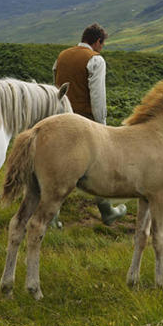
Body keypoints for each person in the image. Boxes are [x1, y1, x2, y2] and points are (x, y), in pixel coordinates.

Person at [52, 23, 127, 225]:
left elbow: (56, 88)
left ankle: (52, 215)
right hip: (84, 121)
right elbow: (97, 96)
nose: (102, 48)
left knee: (59, 166)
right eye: (102, 44)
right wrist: (102, 125)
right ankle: (107, 211)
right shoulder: (95, 60)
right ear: (97, 42)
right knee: (99, 165)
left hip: (59, 118)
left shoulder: (62, 56)